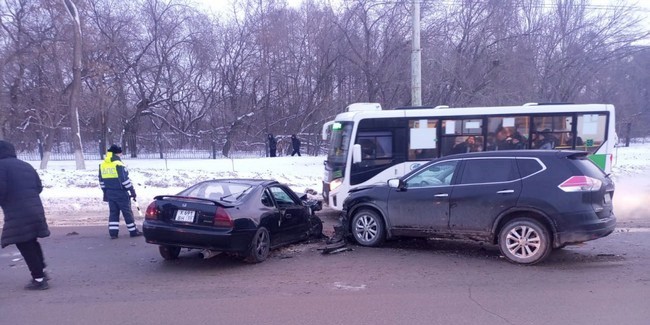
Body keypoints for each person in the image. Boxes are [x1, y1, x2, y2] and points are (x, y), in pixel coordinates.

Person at [0, 140, 51, 290]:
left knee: (24, 242)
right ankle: (42, 272)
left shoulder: (1, 167)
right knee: (31, 240)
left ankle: (39, 279)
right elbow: (38, 187)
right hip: (34, 209)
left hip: (17, 212)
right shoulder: (25, 165)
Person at [98, 144, 142, 239]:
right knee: (127, 212)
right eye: (120, 152)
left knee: (113, 213)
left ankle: (113, 233)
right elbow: (124, 180)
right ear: (117, 153)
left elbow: (101, 181)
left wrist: (105, 192)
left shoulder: (103, 165)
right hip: (121, 193)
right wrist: (132, 191)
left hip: (110, 193)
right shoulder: (118, 164)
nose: (121, 154)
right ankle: (133, 231)